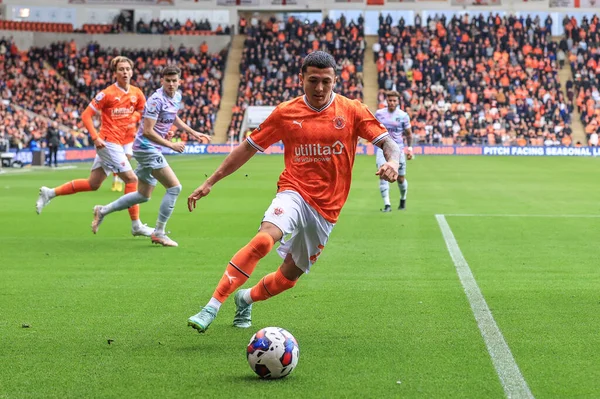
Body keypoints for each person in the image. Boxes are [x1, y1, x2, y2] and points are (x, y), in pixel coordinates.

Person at [186, 51, 400, 333]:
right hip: (293, 191)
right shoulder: (286, 112)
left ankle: (245, 298)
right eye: (313, 80)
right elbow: (248, 148)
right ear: (301, 79)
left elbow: (389, 143)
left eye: (326, 81)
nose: (320, 88)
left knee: (288, 278)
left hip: (327, 209)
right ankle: (211, 306)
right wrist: (211, 180)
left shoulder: (352, 110)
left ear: (336, 79)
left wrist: (393, 162)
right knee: (264, 240)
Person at [91, 66, 211, 246]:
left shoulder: (176, 97)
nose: (171, 84)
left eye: (174, 81)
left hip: (152, 148)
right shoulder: (156, 100)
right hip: (146, 148)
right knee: (174, 187)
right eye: (167, 81)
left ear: (179, 82)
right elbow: (147, 131)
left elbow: (173, 117)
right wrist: (171, 144)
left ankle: (102, 210)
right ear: (162, 81)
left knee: (143, 195)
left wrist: (193, 133)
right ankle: (159, 232)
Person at [35, 56, 154, 237]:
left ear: (132, 71)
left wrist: (145, 123)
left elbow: (144, 112)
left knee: (93, 184)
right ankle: (135, 224)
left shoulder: (137, 93)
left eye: (128, 69)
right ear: (115, 73)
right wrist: (94, 137)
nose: (125, 72)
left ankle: (49, 193)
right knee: (132, 180)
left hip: (119, 144)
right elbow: (86, 115)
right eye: (121, 69)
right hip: (108, 142)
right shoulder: (106, 94)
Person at [374, 90, 413, 212]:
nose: (391, 102)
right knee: (382, 174)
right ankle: (387, 205)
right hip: (382, 148)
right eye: (390, 100)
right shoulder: (379, 114)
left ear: (398, 101)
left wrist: (410, 148)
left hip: (398, 150)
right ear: (386, 101)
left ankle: (403, 198)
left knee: (400, 178)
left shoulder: (403, 115)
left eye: (394, 100)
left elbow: (408, 134)